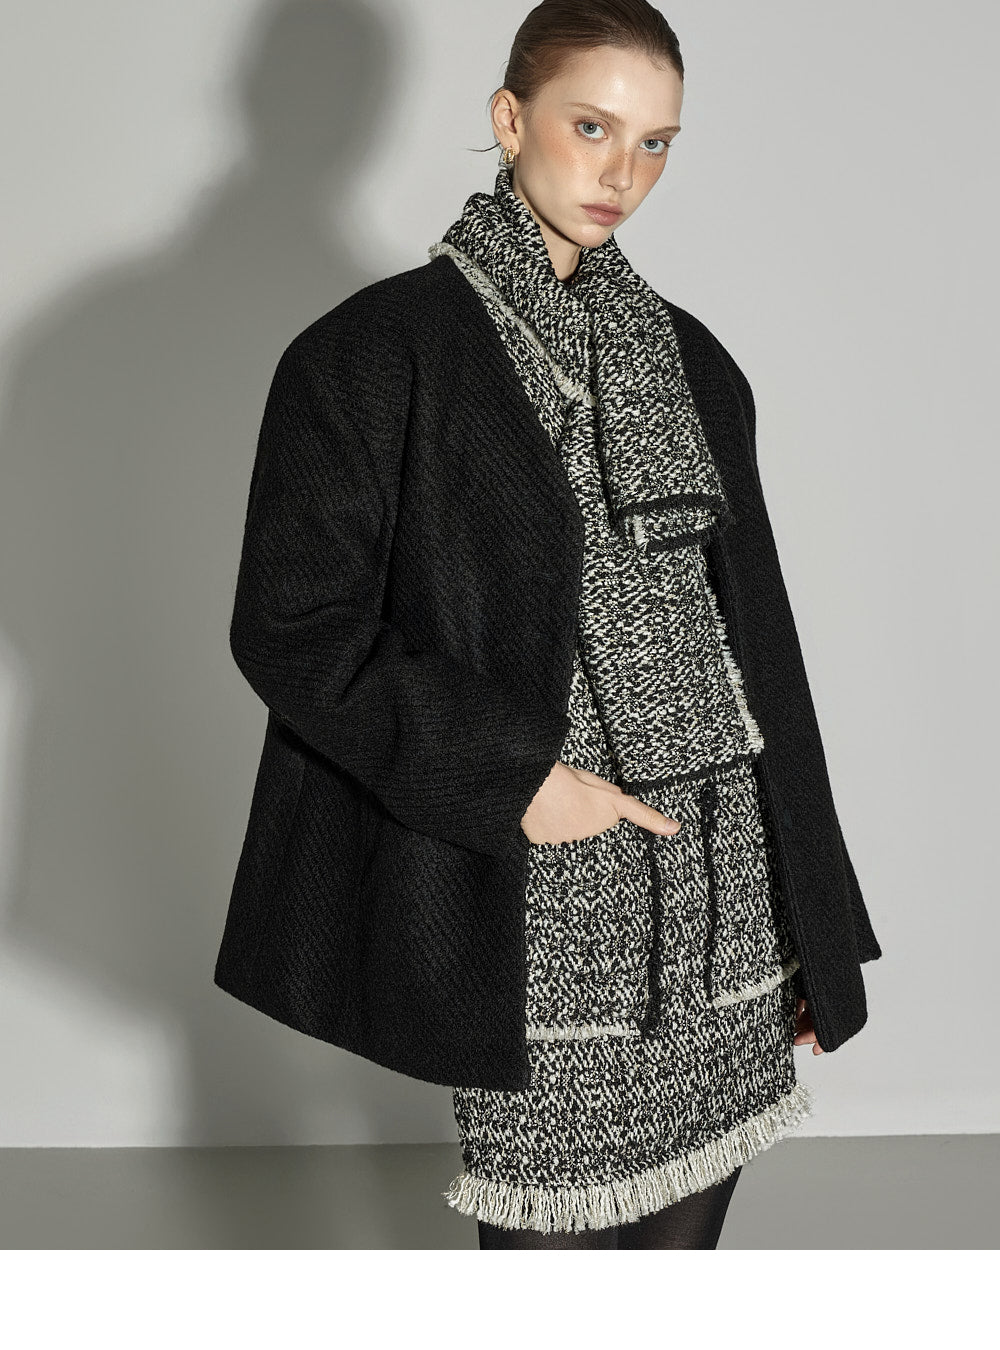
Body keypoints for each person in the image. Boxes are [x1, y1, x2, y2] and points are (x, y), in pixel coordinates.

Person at [214, 0, 882, 1251]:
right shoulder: (371, 356)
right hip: (542, 864)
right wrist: (512, 777)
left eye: (655, 142)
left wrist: (812, 925)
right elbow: (293, 627)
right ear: (510, 119)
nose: (622, 172)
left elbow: (758, 651)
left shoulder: (693, 363)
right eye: (592, 127)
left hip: (725, 877)